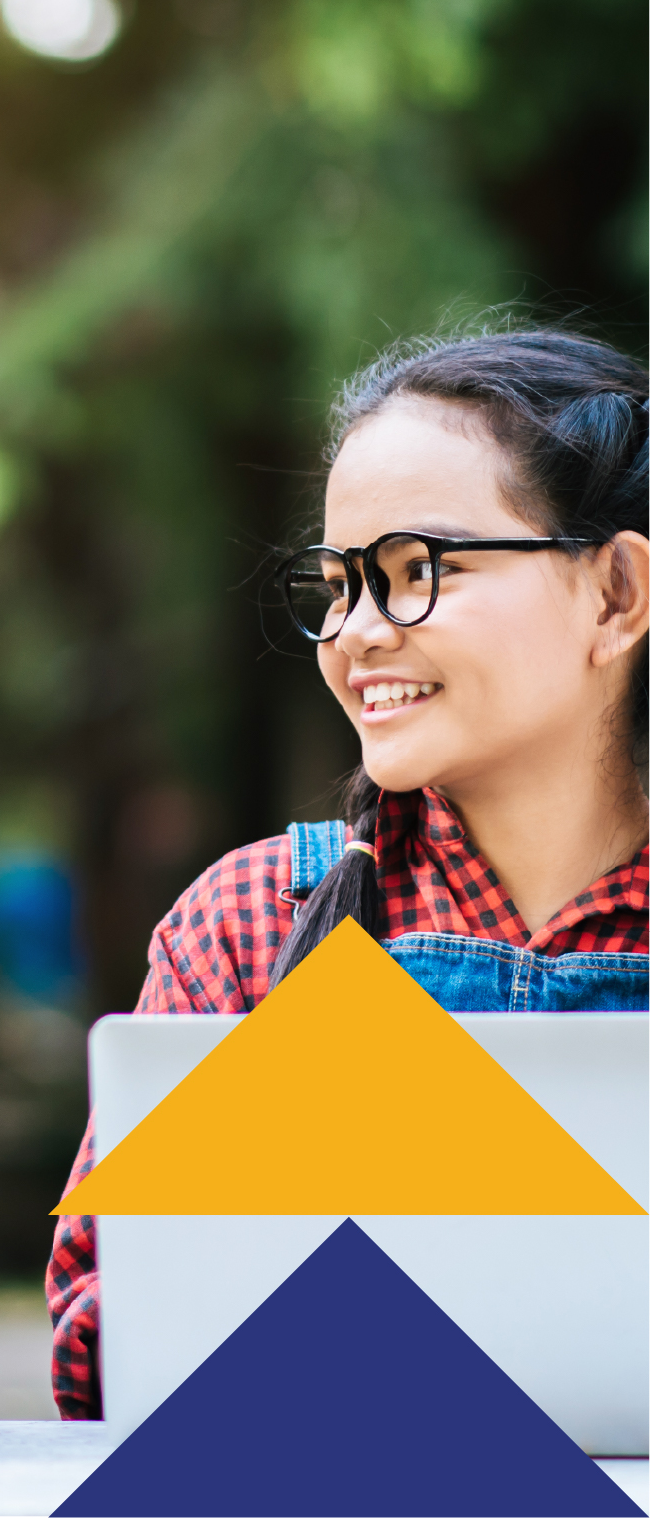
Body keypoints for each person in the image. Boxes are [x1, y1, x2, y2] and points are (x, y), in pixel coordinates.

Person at [47, 328, 648, 1421]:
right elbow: (102, 1328)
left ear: (614, 593)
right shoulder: (246, 926)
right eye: (339, 584)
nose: (358, 633)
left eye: (420, 571)